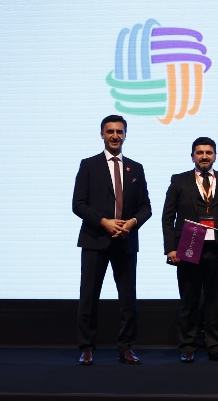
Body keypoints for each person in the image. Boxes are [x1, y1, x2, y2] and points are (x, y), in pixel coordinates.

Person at [73, 115, 152, 366]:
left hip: (125, 241)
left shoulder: (136, 168)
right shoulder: (88, 165)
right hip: (95, 239)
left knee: (128, 299)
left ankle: (126, 347)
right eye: (110, 131)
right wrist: (103, 222)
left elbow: (146, 207)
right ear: (102, 135)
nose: (115, 136)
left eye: (119, 131)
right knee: (89, 297)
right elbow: (78, 204)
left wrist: (131, 223)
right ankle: (86, 348)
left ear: (125, 134)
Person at [162, 137, 218, 363]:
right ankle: (187, 347)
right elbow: (167, 217)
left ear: (215, 155)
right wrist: (170, 248)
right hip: (188, 248)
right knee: (189, 301)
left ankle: (215, 346)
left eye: (209, 152)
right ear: (192, 157)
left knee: (215, 302)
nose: (204, 156)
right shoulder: (179, 180)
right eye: (200, 153)